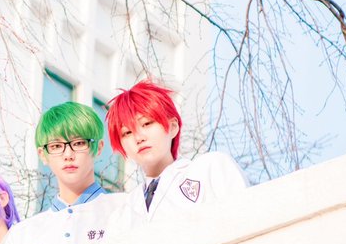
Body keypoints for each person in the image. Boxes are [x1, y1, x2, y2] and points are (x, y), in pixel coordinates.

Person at [105, 80, 248, 223]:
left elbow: (247, 221)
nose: (138, 138)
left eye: (146, 123)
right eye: (127, 132)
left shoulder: (211, 169)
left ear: (173, 127)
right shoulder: (121, 215)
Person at [0, 101, 121, 244]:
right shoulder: (22, 234)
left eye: (78, 143)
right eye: (56, 146)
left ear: (98, 148)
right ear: (43, 155)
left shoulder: (125, 208)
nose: (68, 154)